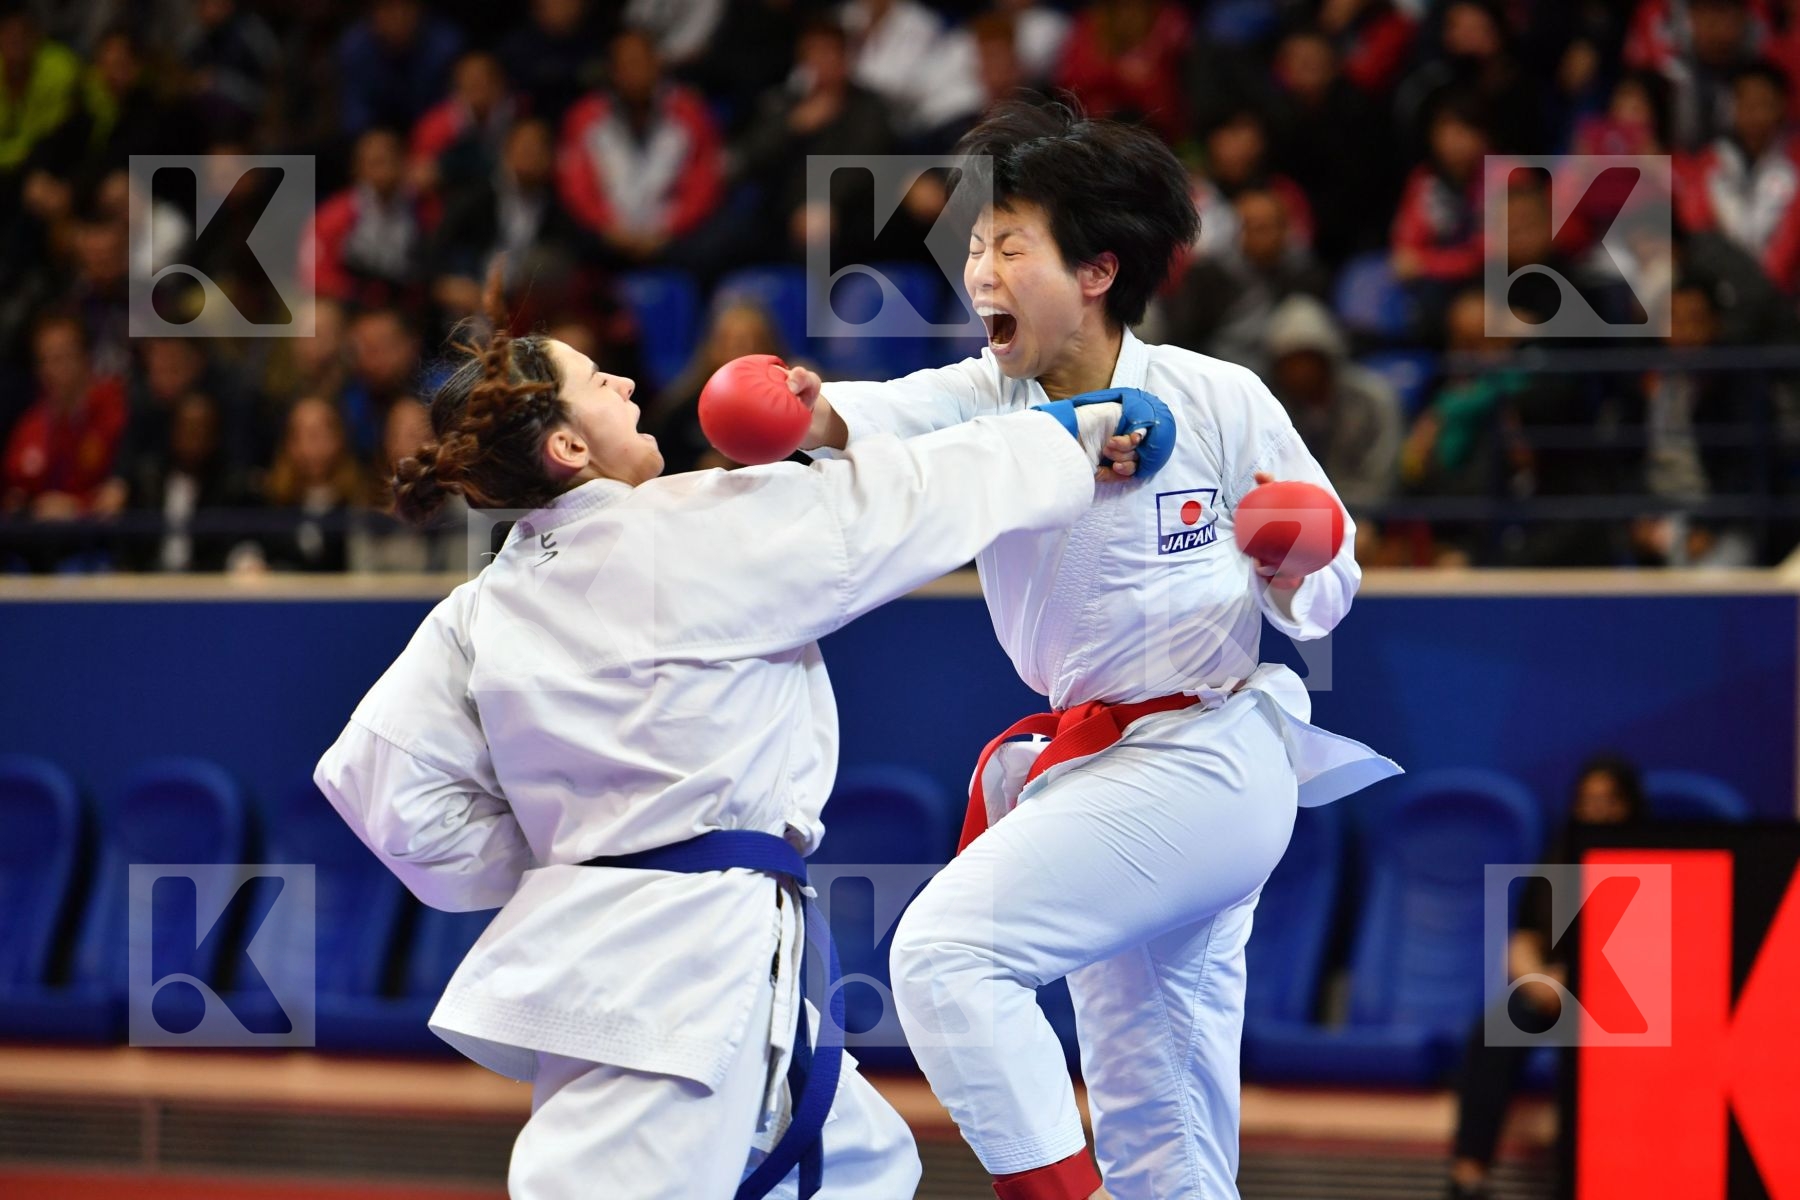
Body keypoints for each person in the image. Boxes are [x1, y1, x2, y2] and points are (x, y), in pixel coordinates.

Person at [312, 276, 1145, 1198]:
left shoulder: (480, 609)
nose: (627, 382)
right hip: (674, 974)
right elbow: (902, 501)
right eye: (597, 380)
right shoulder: (691, 528)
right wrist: (1072, 435)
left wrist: (573, 863)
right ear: (569, 445)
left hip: (658, 958)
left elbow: (387, 792)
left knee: (859, 1171)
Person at [792, 102, 1400, 1200]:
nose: (979, 270)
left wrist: (1293, 560)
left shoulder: (1218, 398)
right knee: (1159, 1119)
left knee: (946, 954)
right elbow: (862, 419)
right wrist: (799, 410)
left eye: (1008, 244)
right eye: (975, 245)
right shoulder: (982, 402)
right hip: (1094, 768)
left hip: (1213, 752)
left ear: (1096, 270)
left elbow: (1329, 594)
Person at [1443, 756, 1649, 1200]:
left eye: (1609, 801)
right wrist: (1537, 979)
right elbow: (1523, 938)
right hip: (1552, 991)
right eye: (1588, 801)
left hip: (1620, 995)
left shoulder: (1649, 861)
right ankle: (1468, 1173)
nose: (1598, 811)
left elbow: (1646, 950)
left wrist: (1578, 978)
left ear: (1629, 806)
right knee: (1493, 1032)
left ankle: (1584, 1175)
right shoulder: (1558, 856)